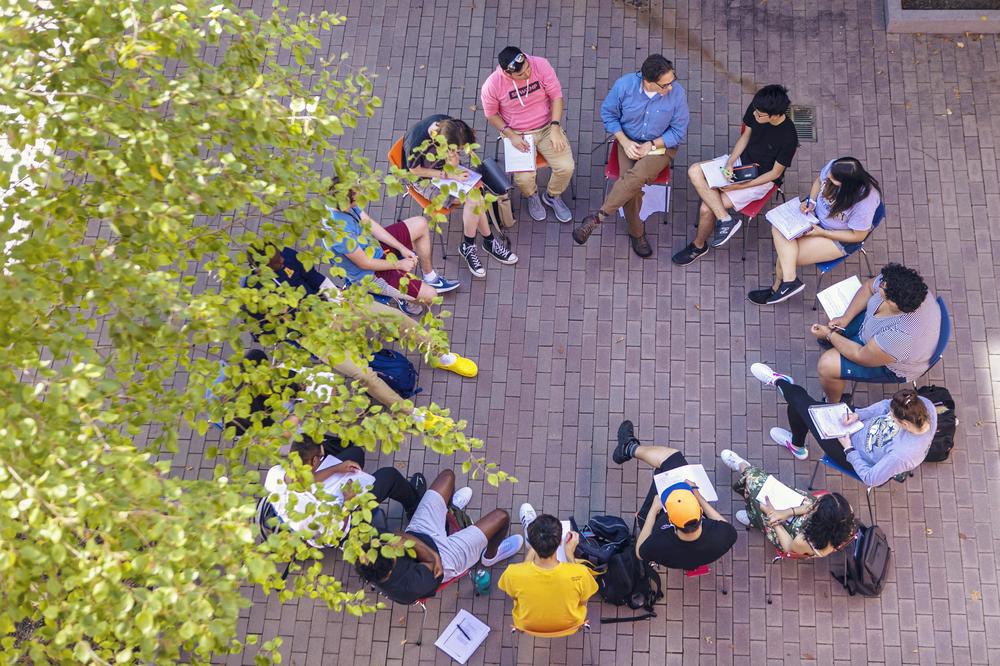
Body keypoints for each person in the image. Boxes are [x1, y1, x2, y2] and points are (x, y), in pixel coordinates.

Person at [244, 245, 478, 411]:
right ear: (261, 269)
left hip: (331, 305)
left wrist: (335, 300)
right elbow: (270, 332)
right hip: (311, 334)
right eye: (276, 264)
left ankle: (440, 355)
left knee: (394, 317)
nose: (282, 262)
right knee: (363, 375)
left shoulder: (285, 255)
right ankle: (408, 412)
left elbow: (314, 278)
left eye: (279, 258)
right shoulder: (253, 295)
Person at [572, 54, 690, 258]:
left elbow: (679, 131)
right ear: (648, 81)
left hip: (660, 146)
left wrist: (651, 145)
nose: (670, 87)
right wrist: (624, 142)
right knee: (632, 191)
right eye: (665, 85)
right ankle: (637, 234)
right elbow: (608, 114)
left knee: (634, 178)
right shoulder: (624, 86)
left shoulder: (677, 93)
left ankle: (598, 217)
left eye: (672, 80)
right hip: (629, 141)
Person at [750, 362, 938, 487]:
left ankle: (779, 382)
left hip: (849, 451)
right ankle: (797, 445)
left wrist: (848, 449)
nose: (889, 414)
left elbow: (871, 478)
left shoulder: (902, 455)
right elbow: (884, 406)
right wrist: (858, 415)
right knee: (800, 408)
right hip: (855, 425)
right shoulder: (923, 406)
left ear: (904, 423)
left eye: (893, 417)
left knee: (800, 404)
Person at [672, 84, 799, 266]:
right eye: (754, 111)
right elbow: (746, 136)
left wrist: (740, 186)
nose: (754, 116)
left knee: (707, 208)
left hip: (760, 180)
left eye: (759, 115)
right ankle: (726, 219)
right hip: (740, 163)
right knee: (694, 170)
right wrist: (731, 161)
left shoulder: (788, 137)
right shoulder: (758, 108)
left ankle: (698, 246)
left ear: (775, 115)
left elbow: (775, 173)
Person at [355, 469, 523, 605]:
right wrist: (410, 542)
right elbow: (434, 562)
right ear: (392, 563)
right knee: (501, 517)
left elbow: (394, 535)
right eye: (389, 547)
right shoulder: (410, 586)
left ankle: (449, 511)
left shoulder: (367, 552)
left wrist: (351, 501)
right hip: (445, 558)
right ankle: (490, 555)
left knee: (447, 476)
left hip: (419, 534)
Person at [748, 157, 883, 305]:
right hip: (814, 217)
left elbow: (858, 236)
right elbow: (819, 181)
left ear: (846, 185)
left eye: (832, 181)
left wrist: (822, 233)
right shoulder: (835, 166)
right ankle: (788, 282)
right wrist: (811, 202)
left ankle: (778, 288)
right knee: (778, 228)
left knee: (786, 257)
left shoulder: (865, 202)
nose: (828, 180)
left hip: (837, 237)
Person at [403, 114, 518, 278]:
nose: (460, 151)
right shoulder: (417, 143)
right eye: (456, 150)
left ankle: (473, 245)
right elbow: (415, 171)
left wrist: (453, 161)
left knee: (475, 198)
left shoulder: (453, 127)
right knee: (475, 199)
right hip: (424, 179)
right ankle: (485, 242)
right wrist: (447, 174)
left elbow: (456, 161)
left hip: (445, 170)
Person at [611, 420, 737, 570]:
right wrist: (698, 496)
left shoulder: (658, 544)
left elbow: (639, 552)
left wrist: (653, 510)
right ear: (700, 513)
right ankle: (628, 448)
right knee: (668, 466)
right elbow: (722, 524)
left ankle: (628, 448)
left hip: (651, 523)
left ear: (669, 519)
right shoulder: (726, 535)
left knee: (671, 460)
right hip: (693, 558)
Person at [810, 262, 941, 402]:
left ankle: (833, 403)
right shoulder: (896, 284)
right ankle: (837, 339)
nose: (880, 285)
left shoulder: (900, 336)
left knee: (826, 366)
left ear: (895, 304)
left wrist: (829, 335)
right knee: (836, 326)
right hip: (873, 332)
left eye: (884, 289)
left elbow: (860, 354)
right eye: (883, 282)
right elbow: (867, 287)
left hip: (885, 360)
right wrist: (846, 318)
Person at [263, 437, 427, 546]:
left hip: (323, 502)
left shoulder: (275, 474)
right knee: (389, 476)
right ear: (313, 461)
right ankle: (414, 505)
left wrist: (337, 469)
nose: (321, 459)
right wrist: (349, 500)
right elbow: (339, 529)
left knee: (355, 454)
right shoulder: (310, 509)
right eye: (320, 458)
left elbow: (304, 480)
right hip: (341, 525)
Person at [324, 175, 460, 306]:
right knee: (431, 296)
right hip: (370, 273)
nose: (360, 198)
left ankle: (430, 278)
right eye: (356, 199)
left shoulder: (342, 200)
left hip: (373, 247)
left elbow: (370, 225)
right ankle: (403, 299)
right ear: (345, 205)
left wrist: (401, 247)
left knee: (421, 224)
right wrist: (399, 264)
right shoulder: (339, 233)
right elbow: (366, 263)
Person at [481, 46, 574, 223]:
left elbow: (556, 96)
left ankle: (552, 196)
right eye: (522, 74)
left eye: (528, 68)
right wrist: (510, 135)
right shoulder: (492, 86)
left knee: (566, 167)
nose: (528, 74)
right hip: (518, 133)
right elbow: (491, 115)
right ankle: (532, 196)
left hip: (547, 127)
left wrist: (555, 127)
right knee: (523, 179)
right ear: (508, 74)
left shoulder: (541, 65)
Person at [719, 449, 856, 557]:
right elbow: (810, 506)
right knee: (765, 491)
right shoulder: (844, 513)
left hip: (787, 532)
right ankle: (747, 474)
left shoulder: (807, 542)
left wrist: (774, 518)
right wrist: (787, 512)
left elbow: (789, 547)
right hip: (799, 514)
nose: (816, 502)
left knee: (759, 500)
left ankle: (754, 515)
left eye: (817, 506)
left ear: (820, 518)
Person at [498, 507, 598, 637]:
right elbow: (584, 600)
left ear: (532, 543)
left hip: (528, 626)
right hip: (571, 626)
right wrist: (569, 554)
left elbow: (514, 596)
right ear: (559, 543)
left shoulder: (512, 574)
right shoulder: (581, 573)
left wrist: (534, 548)